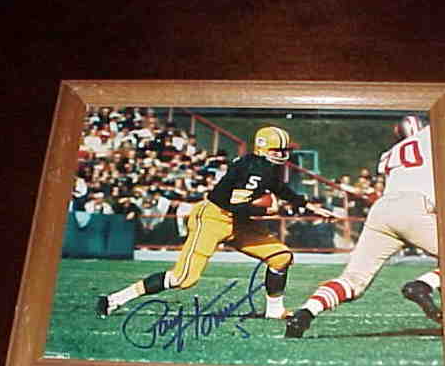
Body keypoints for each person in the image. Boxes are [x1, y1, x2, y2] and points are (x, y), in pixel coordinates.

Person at [97, 126, 334, 319]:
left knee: (281, 257)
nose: (282, 154)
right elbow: (236, 204)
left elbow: (280, 189)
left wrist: (309, 205)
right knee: (183, 279)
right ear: (263, 148)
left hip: (237, 221)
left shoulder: (265, 167)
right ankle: (114, 299)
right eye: (277, 149)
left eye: (284, 150)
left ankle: (274, 310)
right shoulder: (252, 168)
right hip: (213, 218)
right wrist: (268, 210)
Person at [285, 115, 441, 338]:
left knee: (352, 281)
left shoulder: (389, 154)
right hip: (415, 205)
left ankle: (306, 313)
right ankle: (423, 284)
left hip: (382, 209)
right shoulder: (431, 137)